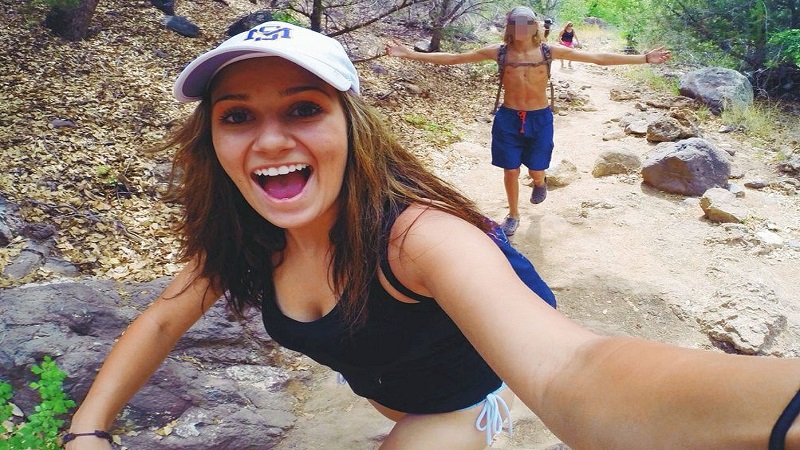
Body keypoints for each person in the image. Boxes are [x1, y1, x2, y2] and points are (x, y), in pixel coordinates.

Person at [64, 20, 800, 450]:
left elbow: (573, 370)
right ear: (213, 140)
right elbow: (161, 320)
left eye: (303, 108)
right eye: (237, 115)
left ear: (351, 124)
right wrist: (87, 431)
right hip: (390, 389)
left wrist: (782, 408)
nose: (270, 139)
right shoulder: (245, 239)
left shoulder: (418, 237)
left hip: (458, 405)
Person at [386, 6, 671, 237]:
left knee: (536, 168)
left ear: (535, 26)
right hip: (508, 118)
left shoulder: (549, 51)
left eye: (526, 23)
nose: (521, 28)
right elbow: (455, 58)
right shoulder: (499, 51)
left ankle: (539, 181)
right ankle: (513, 214)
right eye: (516, 23)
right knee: (510, 169)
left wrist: (643, 59)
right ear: (509, 27)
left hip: (539, 118)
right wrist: (410, 54)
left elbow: (597, 58)